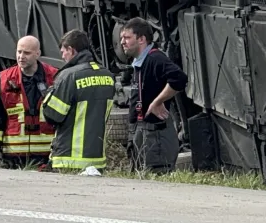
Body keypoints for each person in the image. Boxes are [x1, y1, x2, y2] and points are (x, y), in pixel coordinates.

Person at [119, 18, 188, 175]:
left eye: (127, 37)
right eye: (122, 38)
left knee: (156, 179)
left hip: (155, 139)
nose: (122, 42)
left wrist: (158, 101)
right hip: (143, 136)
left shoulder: (155, 58)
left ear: (141, 39)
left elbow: (179, 78)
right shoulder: (140, 62)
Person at [41, 29, 116, 173]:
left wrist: (49, 95)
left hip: (68, 158)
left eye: (63, 52)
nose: (62, 56)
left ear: (71, 50)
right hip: (97, 159)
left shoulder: (69, 76)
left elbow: (53, 115)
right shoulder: (108, 75)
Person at [0, 35, 58, 169]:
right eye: (19, 52)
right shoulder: (5, 80)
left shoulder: (54, 78)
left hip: (47, 156)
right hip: (13, 157)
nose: (21, 56)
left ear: (38, 54)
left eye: (27, 53)